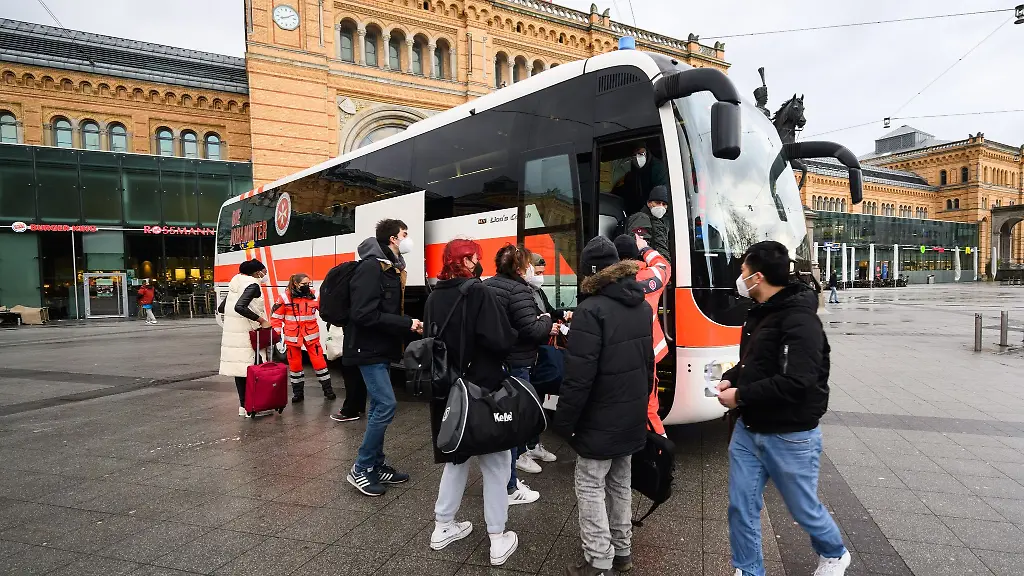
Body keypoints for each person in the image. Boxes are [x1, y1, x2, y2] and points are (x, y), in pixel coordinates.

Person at [716, 241, 850, 576]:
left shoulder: (800, 321)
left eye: (743, 271)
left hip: (790, 433)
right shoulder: (760, 312)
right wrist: (731, 379)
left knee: (802, 509)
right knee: (741, 506)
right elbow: (755, 362)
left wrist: (740, 396)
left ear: (757, 277)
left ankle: (834, 554)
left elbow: (797, 381)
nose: (740, 277)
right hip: (750, 428)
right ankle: (749, 570)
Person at [554, 236, 653, 576]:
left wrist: (564, 422)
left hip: (598, 416)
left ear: (590, 273)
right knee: (620, 482)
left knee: (590, 483)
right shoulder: (642, 306)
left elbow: (578, 377)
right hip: (630, 412)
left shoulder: (589, 311)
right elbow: (647, 364)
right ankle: (622, 550)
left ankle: (598, 559)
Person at [425, 239, 523, 566]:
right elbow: (500, 339)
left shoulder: (435, 295)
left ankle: (443, 526)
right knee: (496, 462)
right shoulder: (478, 291)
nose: (477, 262)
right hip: (481, 389)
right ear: (467, 261)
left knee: (457, 458)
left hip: (447, 391)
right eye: (474, 257)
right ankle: (497, 538)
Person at [343, 219, 421, 496]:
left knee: (379, 405)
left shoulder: (390, 267)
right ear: (392, 239)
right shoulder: (371, 267)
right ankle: (361, 467)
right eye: (404, 234)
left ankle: (376, 465)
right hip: (367, 348)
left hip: (380, 347)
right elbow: (363, 313)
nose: (408, 239)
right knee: (386, 404)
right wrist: (406, 323)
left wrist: (407, 324)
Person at [483, 244, 553, 487]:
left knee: (505, 416)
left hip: (496, 361)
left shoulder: (487, 285)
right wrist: (546, 320)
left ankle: (517, 463)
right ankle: (512, 478)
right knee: (518, 415)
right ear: (520, 268)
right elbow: (531, 330)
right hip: (518, 360)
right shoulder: (518, 290)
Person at [613, 233, 670, 437]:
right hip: (649, 351)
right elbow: (664, 266)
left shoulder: (611, 282)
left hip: (621, 354)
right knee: (649, 403)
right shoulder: (652, 275)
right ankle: (659, 445)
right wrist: (645, 248)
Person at [218, 259, 272, 417]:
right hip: (248, 335)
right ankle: (253, 407)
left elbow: (222, 308)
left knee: (241, 370)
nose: (265, 273)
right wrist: (261, 320)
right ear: (257, 272)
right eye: (264, 270)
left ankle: (243, 406)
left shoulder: (235, 283)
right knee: (255, 370)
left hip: (234, 334)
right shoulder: (252, 284)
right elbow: (240, 307)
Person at [271, 273, 337, 403]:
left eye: (308, 283)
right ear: (296, 284)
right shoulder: (285, 297)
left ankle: (328, 390)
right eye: (304, 284)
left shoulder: (314, 295)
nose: (307, 286)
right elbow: (276, 318)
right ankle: (298, 393)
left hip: (311, 336)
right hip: (293, 337)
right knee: (295, 366)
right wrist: (276, 334)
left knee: (320, 363)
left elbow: (324, 310)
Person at [612, 142, 668, 216]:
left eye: (639, 152)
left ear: (646, 150)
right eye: (634, 154)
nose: (637, 156)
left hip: (655, 212)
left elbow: (661, 196)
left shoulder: (658, 168)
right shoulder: (633, 171)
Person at [626, 184, 672, 262]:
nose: (661, 206)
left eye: (664, 204)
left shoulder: (663, 222)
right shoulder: (641, 218)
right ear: (649, 203)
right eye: (657, 202)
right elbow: (640, 249)